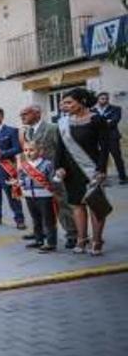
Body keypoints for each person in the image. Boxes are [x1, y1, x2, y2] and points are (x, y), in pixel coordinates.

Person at [55, 88, 112, 256]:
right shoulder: (63, 122)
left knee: (95, 205)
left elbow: (105, 148)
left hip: (91, 169)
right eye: (64, 103)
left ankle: (97, 241)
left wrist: (101, 169)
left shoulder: (97, 120)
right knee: (77, 205)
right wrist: (59, 166)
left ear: (82, 102)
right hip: (71, 171)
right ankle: (81, 239)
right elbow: (60, 148)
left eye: (69, 102)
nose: (65, 106)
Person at [19, 104, 78, 249]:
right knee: (40, 209)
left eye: (25, 114)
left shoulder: (52, 128)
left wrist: (63, 169)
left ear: (37, 114)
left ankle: (72, 234)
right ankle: (42, 234)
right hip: (36, 177)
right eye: (21, 115)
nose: (22, 117)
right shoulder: (27, 132)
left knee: (62, 204)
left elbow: (64, 150)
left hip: (53, 173)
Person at [16, 141, 58, 253]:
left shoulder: (47, 164)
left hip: (44, 195)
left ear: (40, 151)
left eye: (31, 150)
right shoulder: (25, 165)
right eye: (25, 150)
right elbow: (22, 178)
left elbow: (52, 179)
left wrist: (57, 179)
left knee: (48, 220)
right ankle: (39, 239)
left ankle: (51, 242)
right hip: (29, 195)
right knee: (36, 219)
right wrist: (19, 183)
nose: (28, 153)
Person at [94, 92, 126, 184]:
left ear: (108, 99)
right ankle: (103, 179)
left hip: (113, 137)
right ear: (98, 100)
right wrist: (106, 121)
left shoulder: (116, 109)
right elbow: (93, 124)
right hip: (100, 138)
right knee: (102, 159)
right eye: (102, 98)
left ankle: (122, 177)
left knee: (117, 157)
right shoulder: (93, 110)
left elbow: (114, 121)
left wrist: (101, 123)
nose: (104, 100)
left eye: (106, 98)